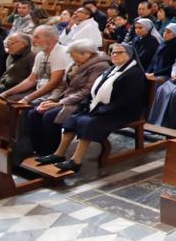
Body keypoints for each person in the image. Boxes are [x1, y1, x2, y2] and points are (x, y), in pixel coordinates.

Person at [39, 43, 148, 173]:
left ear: (129, 55)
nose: (114, 55)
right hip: (103, 107)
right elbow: (95, 90)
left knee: (88, 122)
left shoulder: (134, 73)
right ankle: (58, 154)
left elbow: (128, 99)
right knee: (74, 117)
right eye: (113, 52)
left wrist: (103, 109)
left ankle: (76, 160)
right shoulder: (112, 69)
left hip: (123, 111)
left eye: (119, 52)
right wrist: (87, 104)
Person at [24, 41, 110, 162]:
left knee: (50, 116)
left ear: (86, 54)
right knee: (34, 113)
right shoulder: (76, 64)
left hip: (83, 103)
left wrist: (60, 103)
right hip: (67, 98)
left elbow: (87, 91)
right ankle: (39, 150)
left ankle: (53, 153)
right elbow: (64, 85)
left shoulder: (100, 66)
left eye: (75, 55)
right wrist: (51, 99)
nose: (72, 58)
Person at [0, 25, 69, 103]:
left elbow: (54, 83)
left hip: (55, 96)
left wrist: (27, 98)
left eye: (36, 37)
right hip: (40, 93)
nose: (32, 40)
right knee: (4, 98)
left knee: (15, 103)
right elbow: (31, 80)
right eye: (33, 37)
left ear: (51, 39)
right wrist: (6, 93)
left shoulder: (62, 52)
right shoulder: (40, 55)